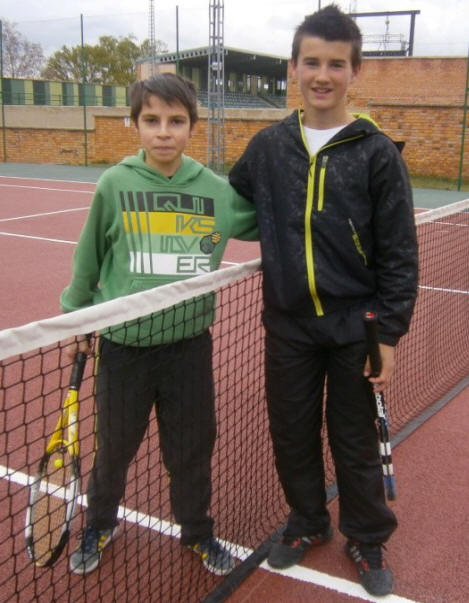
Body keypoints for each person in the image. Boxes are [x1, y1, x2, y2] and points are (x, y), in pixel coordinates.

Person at [229, 5, 418, 597]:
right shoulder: (267, 147)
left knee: (354, 438)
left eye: (336, 64)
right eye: (312, 61)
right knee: (291, 431)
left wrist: (387, 334)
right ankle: (308, 519)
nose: (323, 74)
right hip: (287, 324)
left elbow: (399, 255)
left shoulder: (377, 152)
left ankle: (366, 534)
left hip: (355, 326)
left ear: (354, 71)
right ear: (293, 66)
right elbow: (228, 202)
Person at [61, 72, 257, 576]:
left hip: (189, 348)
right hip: (124, 347)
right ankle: (98, 523)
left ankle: (198, 532)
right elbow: (89, 257)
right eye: (151, 120)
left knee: (192, 448)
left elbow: (269, 221)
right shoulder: (114, 183)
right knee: (114, 449)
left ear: (193, 126)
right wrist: (75, 318)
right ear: (134, 124)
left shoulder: (216, 190)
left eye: (175, 121)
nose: (163, 132)